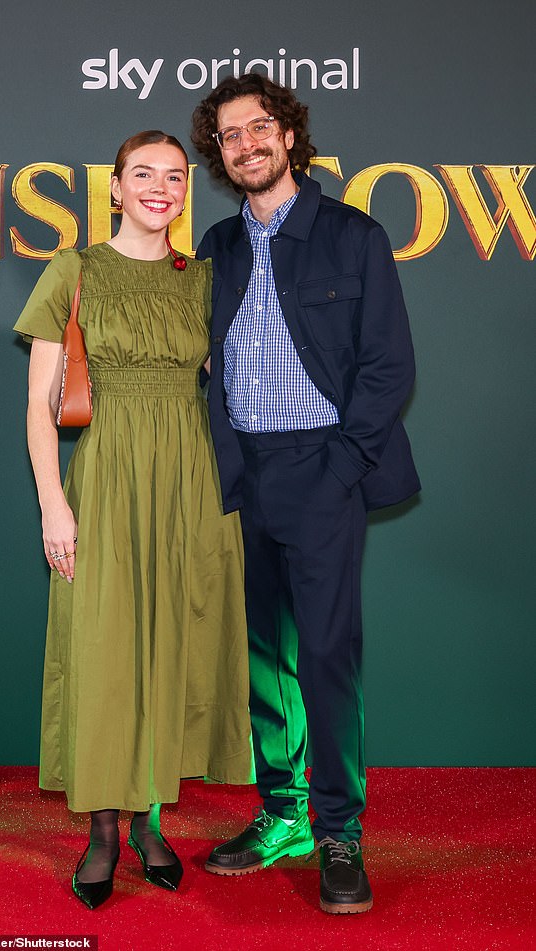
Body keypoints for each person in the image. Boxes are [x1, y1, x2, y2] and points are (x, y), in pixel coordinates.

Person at [191, 74, 420, 914]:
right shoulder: (213, 246)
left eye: (259, 129)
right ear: (218, 153)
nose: (245, 145)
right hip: (241, 471)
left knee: (325, 656)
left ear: (288, 135)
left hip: (325, 468)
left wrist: (341, 468)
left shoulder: (352, 234)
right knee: (262, 657)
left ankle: (337, 831)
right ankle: (280, 812)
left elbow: (388, 364)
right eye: (228, 135)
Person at [13, 130, 252, 910]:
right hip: (108, 480)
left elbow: (233, 381)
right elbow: (41, 408)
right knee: (108, 649)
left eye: (175, 176)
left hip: (190, 482)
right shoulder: (74, 272)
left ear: (188, 190)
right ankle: (105, 830)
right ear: (114, 188)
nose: (160, 187)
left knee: (171, 644)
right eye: (142, 175)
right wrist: (55, 502)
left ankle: (152, 821)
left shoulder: (206, 278)